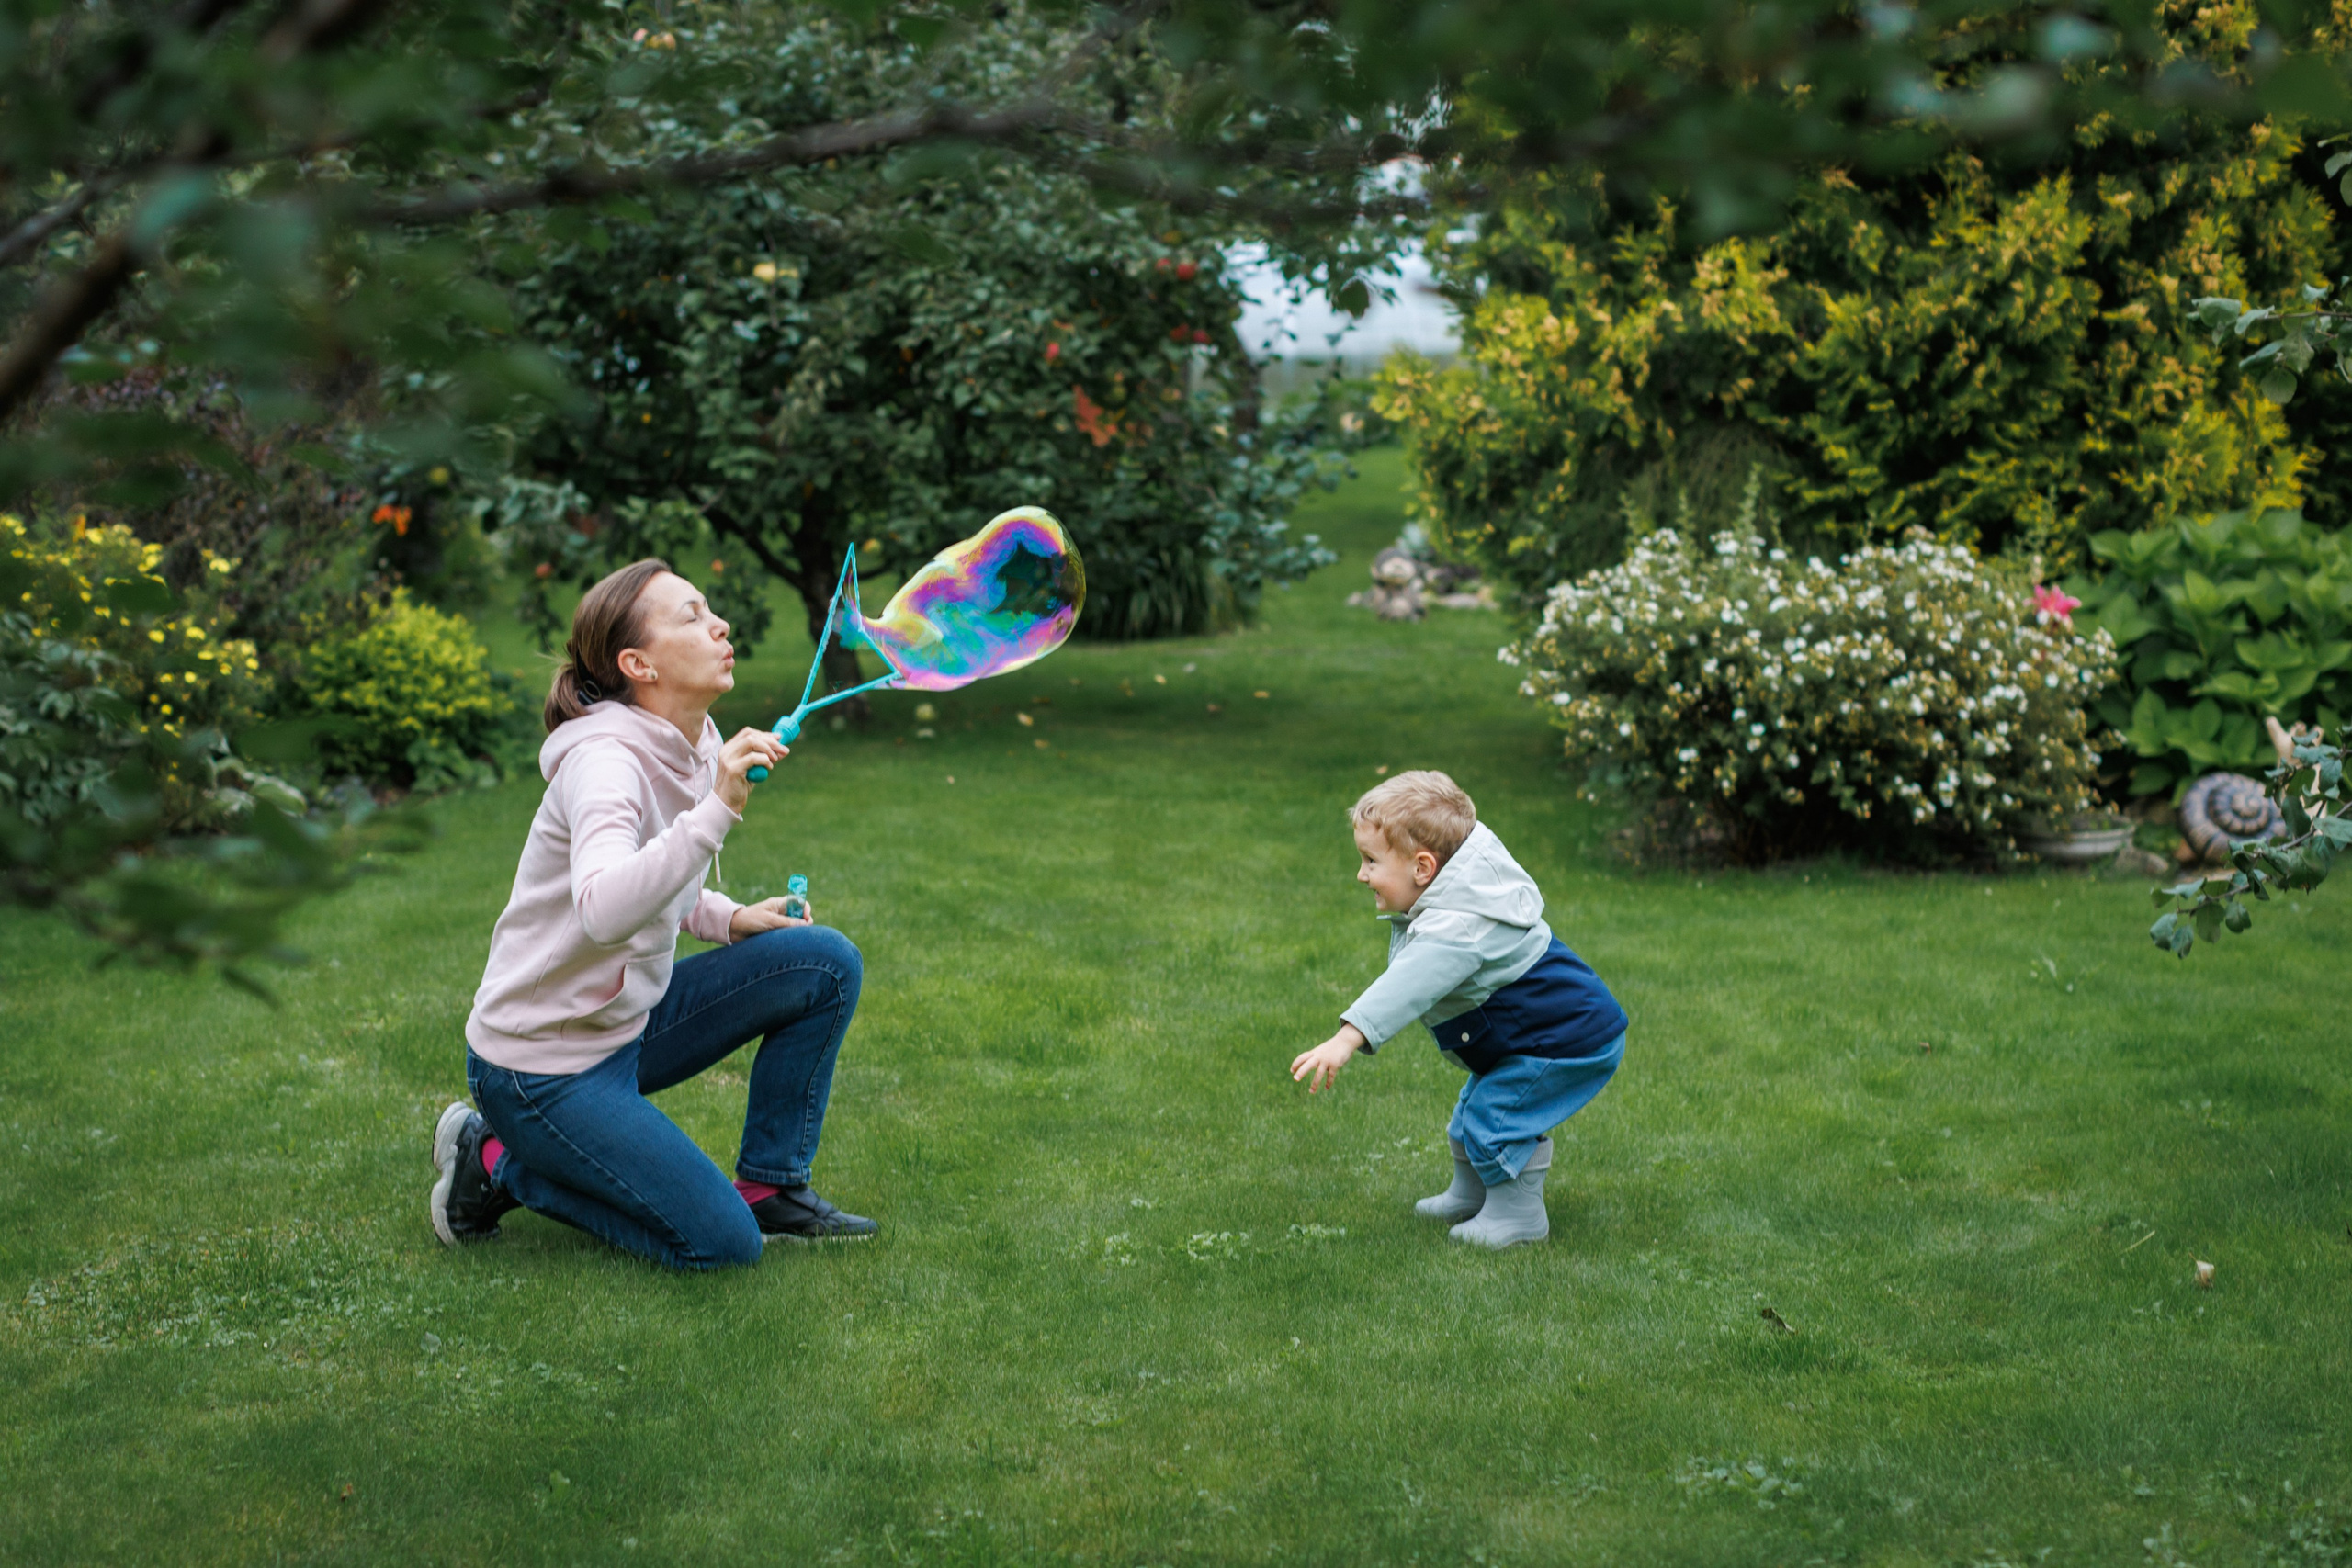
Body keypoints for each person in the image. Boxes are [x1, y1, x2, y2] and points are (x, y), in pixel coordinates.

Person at [427, 557, 876, 1269]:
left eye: (710, 610)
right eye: (692, 616)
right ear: (637, 663)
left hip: (624, 1024)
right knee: (721, 1247)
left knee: (823, 961)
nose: (720, 623)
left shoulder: (693, 741)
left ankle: (772, 1186)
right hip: (541, 1067)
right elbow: (605, 908)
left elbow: (660, 873)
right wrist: (720, 807)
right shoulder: (604, 762)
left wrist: (725, 917)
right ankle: (492, 1157)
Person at [1289, 771, 1627, 1248]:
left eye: (1370, 861)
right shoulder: (1457, 893)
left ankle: (1519, 1216)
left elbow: (1408, 984)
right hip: (1539, 1034)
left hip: (1568, 1039)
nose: (1361, 874)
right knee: (1469, 1114)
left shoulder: (1460, 924)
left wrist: (1347, 1037)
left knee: (1496, 1117)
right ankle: (1474, 1194)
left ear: (1423, 868)